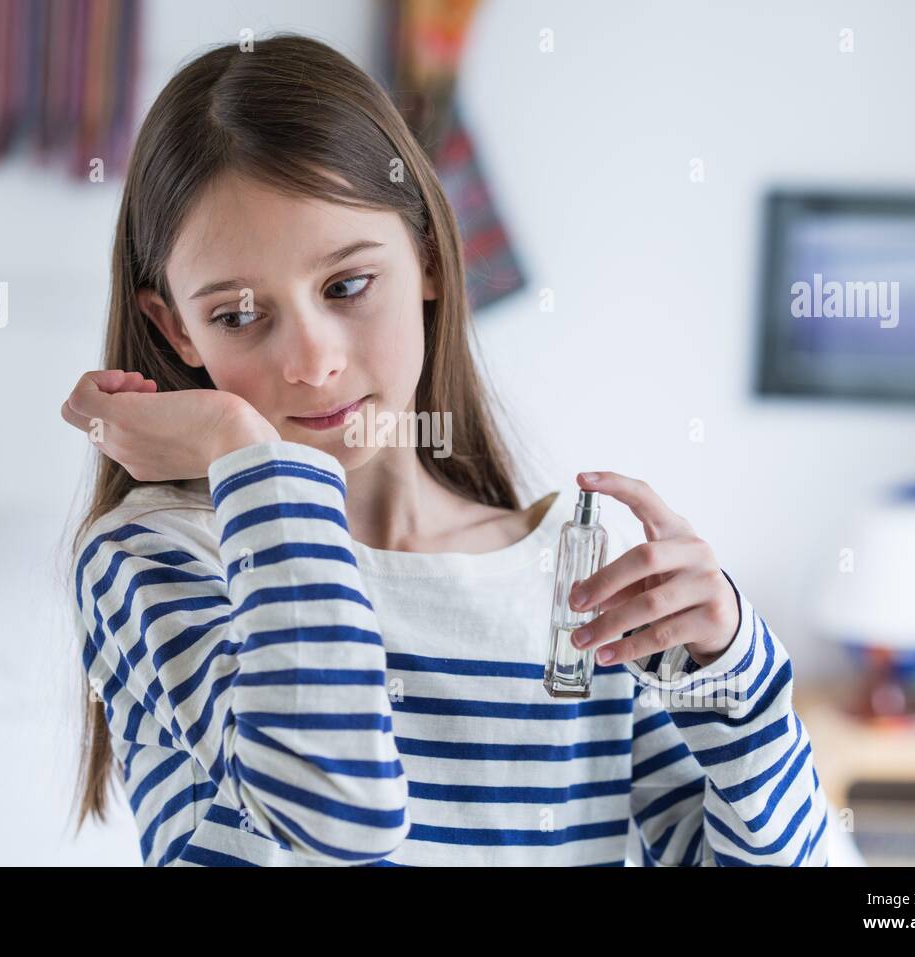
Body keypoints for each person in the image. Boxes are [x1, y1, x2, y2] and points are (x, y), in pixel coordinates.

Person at [61, 33, 830, 866]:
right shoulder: (157, 556)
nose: (312, 361)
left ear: (427, 255)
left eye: (347, 286)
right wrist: (238, 447)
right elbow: (336, 811)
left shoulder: (579, 588)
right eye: (238, 316)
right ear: (175, 327)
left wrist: (734, 675)